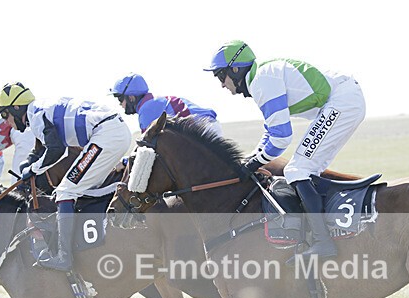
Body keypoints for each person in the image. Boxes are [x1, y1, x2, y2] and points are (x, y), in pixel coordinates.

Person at [205, 40, 366, 261]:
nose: (222, 84)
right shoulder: (260, 78)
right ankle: (324, 229)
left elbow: (281, 137)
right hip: (342, 100)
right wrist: (253, 157)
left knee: (297, 170)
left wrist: (253, 164)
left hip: (342, 101)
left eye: (220, 76)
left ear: (235, 69)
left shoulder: (262, 80)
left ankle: (323, 242)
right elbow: (270, 132)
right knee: (305, 169)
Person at [0, 82, 131, 271]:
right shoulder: (41, 109)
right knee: (81, 186)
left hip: (105, 135)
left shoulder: (35, 117)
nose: (6, 121)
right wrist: (32, 165)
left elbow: (56, 151)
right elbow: (50, 148)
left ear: (16, 108)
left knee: (65, 191)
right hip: (112, 132)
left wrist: (33, 169)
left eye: (4, 114)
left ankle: (63, 257)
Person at [110, 73, 221, 136]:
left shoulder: (146, 109)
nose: (120, 104)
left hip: (203, 130)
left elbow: (146, 147)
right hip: (208, 125)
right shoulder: (153, 102)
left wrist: (125, 162)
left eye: (120, 98)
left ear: (131, 97)